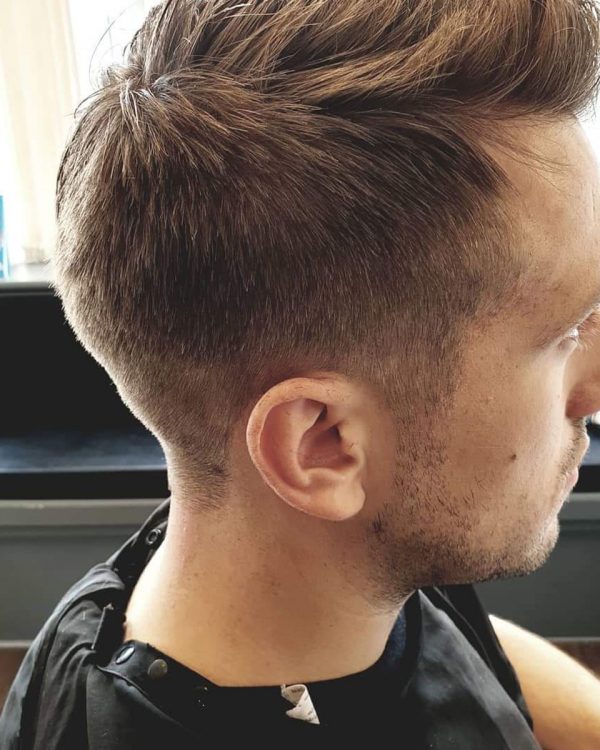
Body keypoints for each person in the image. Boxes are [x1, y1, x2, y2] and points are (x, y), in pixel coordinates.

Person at [2, 0, 600, 747]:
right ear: (323, 443)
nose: (594, 386)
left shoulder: (330, 568)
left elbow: (447, 642)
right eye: (564, 333)